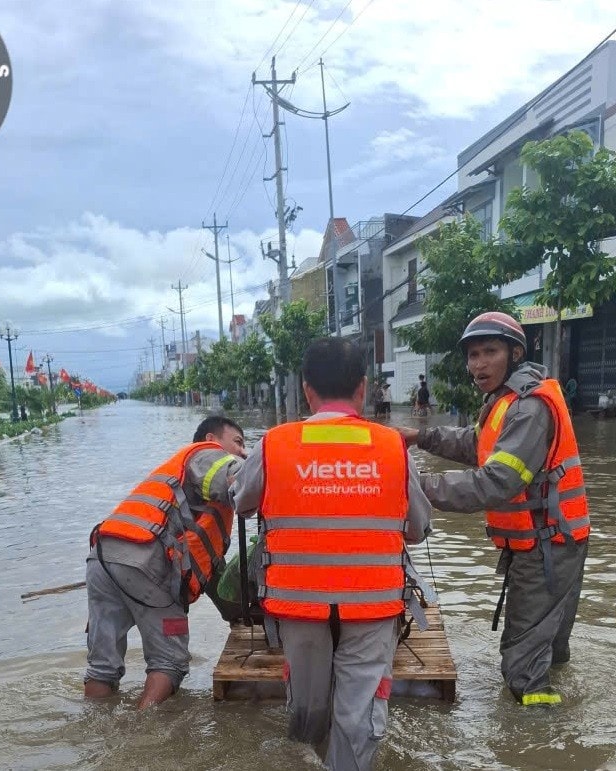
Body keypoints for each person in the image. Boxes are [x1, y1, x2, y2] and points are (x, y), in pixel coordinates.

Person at [232, 338, 433, 771]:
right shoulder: (392, 446)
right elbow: (418, 529)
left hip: (298, 605)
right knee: (358, 716)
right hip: (373, 606)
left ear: (307, 390)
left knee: (308, 710)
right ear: (363, 387)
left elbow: (242, 503)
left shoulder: (275, 444)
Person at [398, 311, 589, 707]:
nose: (478, 364)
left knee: (522, 668)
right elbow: (478, 444)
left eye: (489, 352)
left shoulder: (528, 407)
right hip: (554, 541)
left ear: (515, 354)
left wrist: (414, 485)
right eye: (473, 355)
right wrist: (421, 437)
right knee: (550, 650)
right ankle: (563, 714)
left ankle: (539, 732)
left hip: (547, 549)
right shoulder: (507, 401)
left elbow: (497, 482)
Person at [84, 416, 247, 708]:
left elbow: (211, 572)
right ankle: (143, 729)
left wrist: (237, 613)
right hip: (150, 563)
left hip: (103, 558)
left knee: (102, 667)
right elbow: (240, 481)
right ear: (211, 439)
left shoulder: (178, 480)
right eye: (238, 442)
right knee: (169, 661)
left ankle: (94, 724)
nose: (243, 451)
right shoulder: (208, 454)